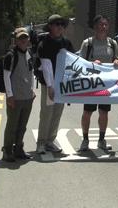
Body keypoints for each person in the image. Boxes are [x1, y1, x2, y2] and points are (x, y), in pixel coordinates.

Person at [78, 15, 118, 151]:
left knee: (104, 112)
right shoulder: (88, 43)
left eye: (105, 24)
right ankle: (85, 140)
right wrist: (91, 63)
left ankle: (101, 140)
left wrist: (117, 61)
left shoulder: (113, 43)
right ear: (95, 27)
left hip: (106, 84)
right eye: (100, 24)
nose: (103, 27)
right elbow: (80, 63)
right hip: (91, 83)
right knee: (87, 112)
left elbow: (116, 59)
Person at [36, 14, 75, 154]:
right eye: (57, 24)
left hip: (62, 85)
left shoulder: (66, 42)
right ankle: (41, 142)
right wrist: (51, 86)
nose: (60, 27)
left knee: (57, 113)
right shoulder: (44, 43)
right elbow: (46, 66)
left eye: (62, 25)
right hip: (49, 84)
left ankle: (50, 141)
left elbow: (74, 60)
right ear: (50, 27)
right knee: (47, 113)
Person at [1, 28, 36, 162]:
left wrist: (32, 90)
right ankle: (7, 150)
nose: (23, 41)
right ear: (16, 40)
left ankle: (18, 148)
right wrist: (9, 95)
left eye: (25, 38)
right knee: (12, 125)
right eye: (20, 38)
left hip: (27, 96)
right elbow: (6, 76)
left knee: (22, 125)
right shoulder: (11, 55)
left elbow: (31, 72)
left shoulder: (29, 54)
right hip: (15, 97)